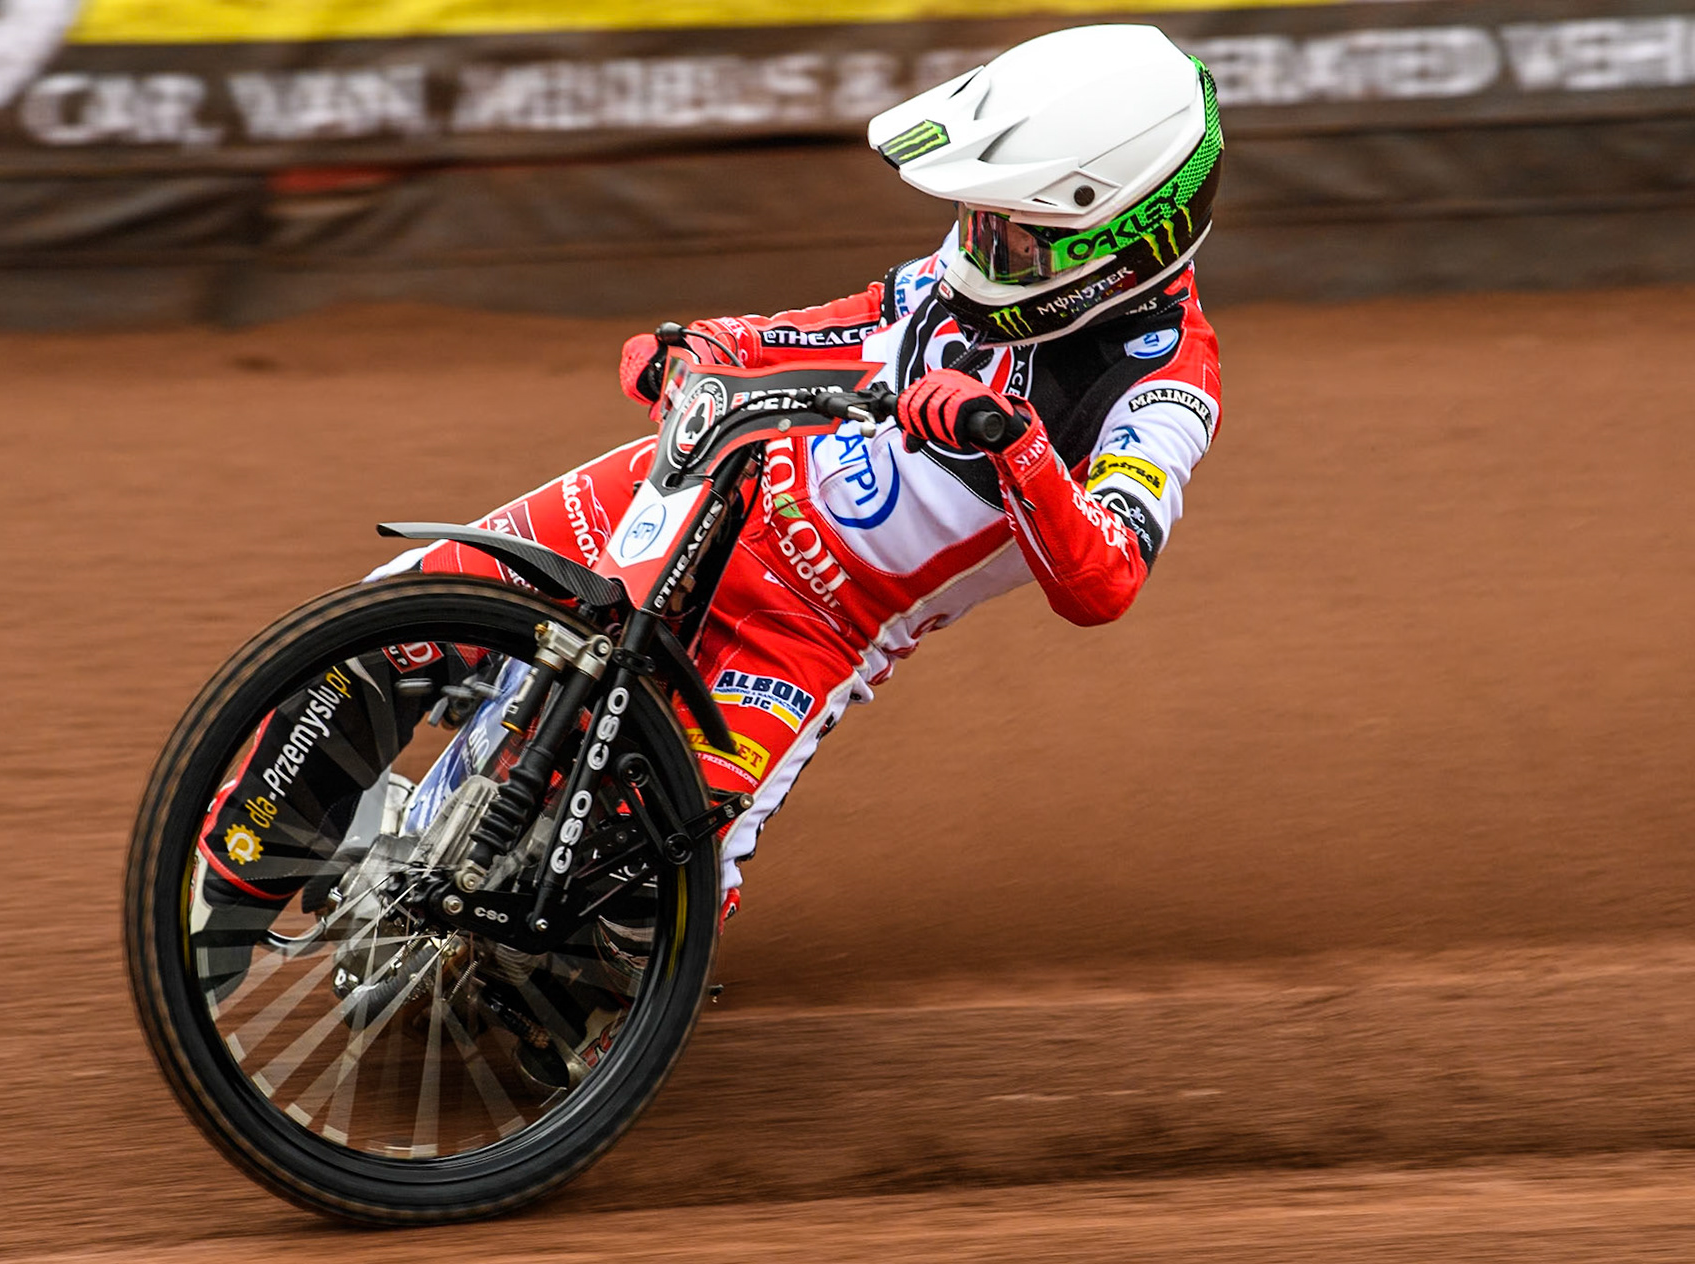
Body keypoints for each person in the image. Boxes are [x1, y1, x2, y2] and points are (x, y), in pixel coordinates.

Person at [199, 22, 1225, 950]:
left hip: (806, 632)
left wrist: (1012, 446)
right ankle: (215, 914)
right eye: (978, 220)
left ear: (1118, 237)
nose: (976, 250)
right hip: (704, 489)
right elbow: (858, 313)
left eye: (1013, 232)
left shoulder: (1168, 387)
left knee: (645, 899)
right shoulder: (982, 268)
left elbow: (1106, 575)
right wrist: (706, 344)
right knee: (390, 620)